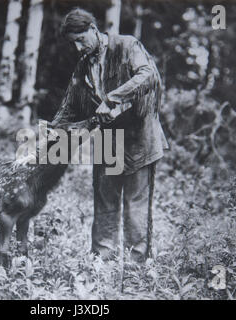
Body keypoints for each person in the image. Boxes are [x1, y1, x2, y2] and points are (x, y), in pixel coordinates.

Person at [51, 8, 169, 262]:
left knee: (136, 205)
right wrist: (51, 132)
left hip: (139, 137)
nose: (79, 47)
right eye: (74, 43)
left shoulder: (126, 45)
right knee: (105, 203)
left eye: (82, 39)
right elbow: (70, 106)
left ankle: (136, 267)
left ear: (94, 29)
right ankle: (101, 264)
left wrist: (113, 99)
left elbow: (149, 76)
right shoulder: (83, 67)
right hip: (107, 141)